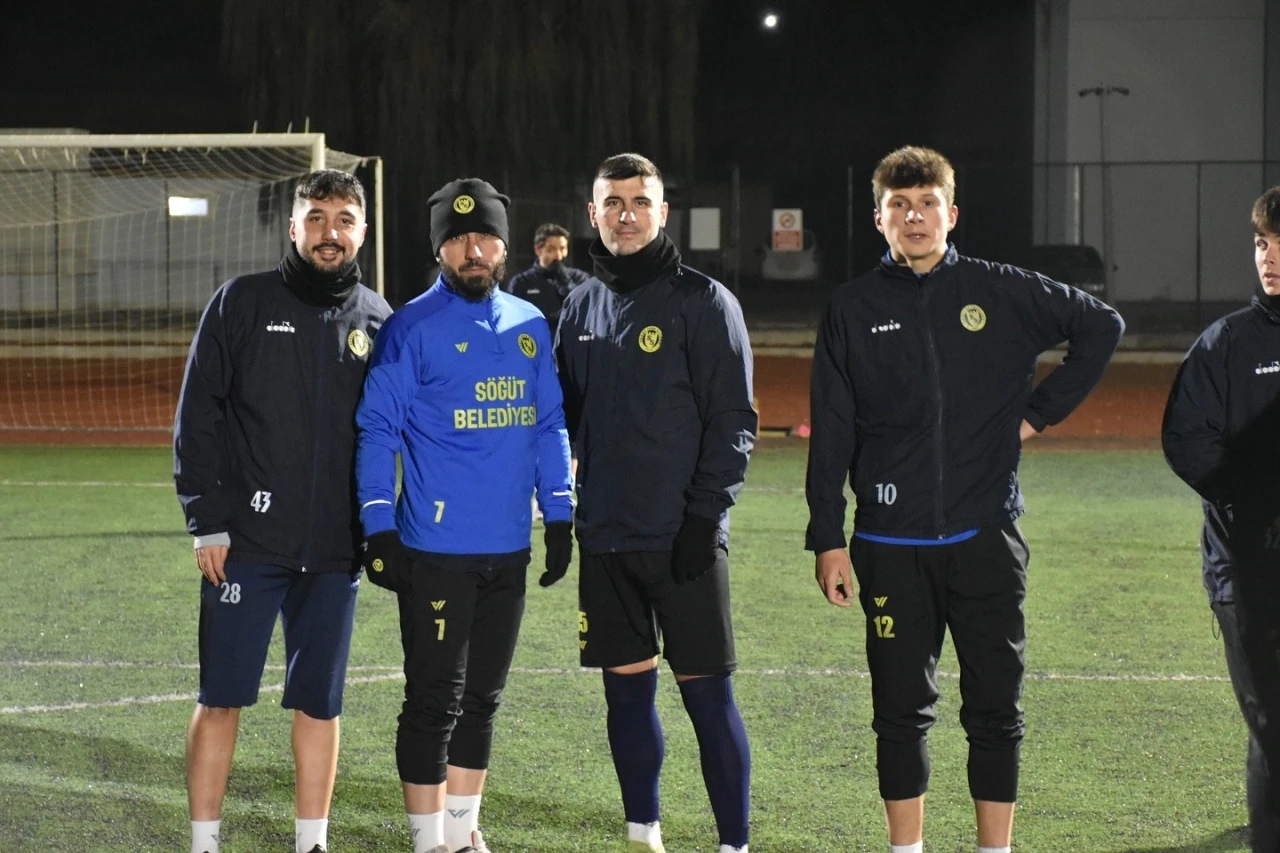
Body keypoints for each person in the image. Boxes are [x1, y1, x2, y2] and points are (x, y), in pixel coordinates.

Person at [804, 145, 1123, 853]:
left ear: (952, 213)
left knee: (996, 710)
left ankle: (994, 849)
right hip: (890, 542)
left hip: (986, 536)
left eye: (928, 204)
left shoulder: (1001, 290)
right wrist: (827, 536)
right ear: (880, 218)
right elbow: (831, 429)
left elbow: (1102, 326)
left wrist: (1037, 416)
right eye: (899, 205)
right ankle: (906, 849)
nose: (915, 217)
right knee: (898, 713)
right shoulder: (853, 307)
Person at [174, 169, 391, 853]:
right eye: (316, 217)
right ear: (293, 227)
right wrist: (207, 520)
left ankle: (312, 842)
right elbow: (198, 416)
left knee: (320, 703)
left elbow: (394, 434)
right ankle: (204, 842)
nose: (330, 232)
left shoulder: (378, 319)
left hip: (334, 549)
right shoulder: (241, 302)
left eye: (344, 219)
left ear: (362, 231)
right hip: (246, 542)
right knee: (221, 696)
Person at [355, 177, 574, 853]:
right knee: (434, 700)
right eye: (457, 240)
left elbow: (548, 424)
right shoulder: (410, 327)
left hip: (508, 548)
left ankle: (460, 832)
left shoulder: (530, 324)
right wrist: (378, 525)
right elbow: (377, 430)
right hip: (436, 550)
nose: (472, 250)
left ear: (505, 247)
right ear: (439, 250)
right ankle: (427, 842)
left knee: (482, 700)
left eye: (484, 237)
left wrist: (559, 513)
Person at [555, 152, 757, 853]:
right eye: (612, 202)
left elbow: (734, 420)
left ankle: (734, 844)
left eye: (640, 201)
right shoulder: (579, 306)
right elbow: (562, 420)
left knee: (708, 697)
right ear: (593, 214)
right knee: (626, 697)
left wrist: (706, 517)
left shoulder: (704, 301)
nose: (627, 214)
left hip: (682, 540)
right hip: (606, 537)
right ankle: (644, 832)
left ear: (663, 212)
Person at [1162, 186, 1280, 853]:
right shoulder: (1226, 343)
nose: (1270, 257)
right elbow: (1188, 442)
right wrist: (1257, 500)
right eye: (1262, 243)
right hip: (1246, 568)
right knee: (1272, 720)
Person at [504, 222, 589, 333]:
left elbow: (586, 312)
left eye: (562, 248)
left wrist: (565, 282)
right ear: (538, 250)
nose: (558, 256)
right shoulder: (521, 282)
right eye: (551, 249)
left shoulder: (579, 278)